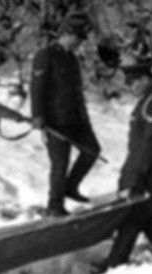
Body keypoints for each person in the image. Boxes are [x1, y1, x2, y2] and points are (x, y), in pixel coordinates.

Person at [97, 56, 152, 271]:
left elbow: (151, 144)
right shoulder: (148, 101)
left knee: (134, 217)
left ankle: (115, 264)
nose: (131, 86)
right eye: (129, 82)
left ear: (147, 78)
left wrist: (137, 176)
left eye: (135, 81)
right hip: (151, 172)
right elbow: (139, 146)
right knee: (150, 220)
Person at [30, 10, 99, 216]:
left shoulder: (71, 59)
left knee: (92, 150)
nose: (79, 43)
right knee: (60, 164)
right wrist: (37, 116)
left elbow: (76, 92)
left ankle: (70, 187)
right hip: (55, 122)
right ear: (67, 33)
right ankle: (55, 205)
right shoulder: (46, 56)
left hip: (76, 119)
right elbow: (37, 88)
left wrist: (84, 118)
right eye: (78, 37)